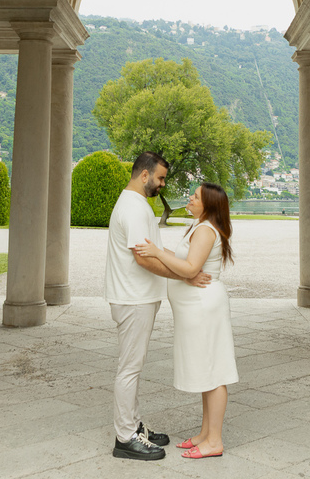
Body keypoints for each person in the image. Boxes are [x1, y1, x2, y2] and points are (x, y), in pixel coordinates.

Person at [105, 151, 211, 461]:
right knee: (129, 369)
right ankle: (125, 438)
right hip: (133, 298)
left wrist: (183, 269)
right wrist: (186, 275)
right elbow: (144, 257)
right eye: (160, 178)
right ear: (144, 175)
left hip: (136, 297)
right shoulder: (135, 208)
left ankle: (134, 426)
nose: (162, 184)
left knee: (133, 368)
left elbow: (156, 248)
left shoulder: (136, 204)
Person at [132, 182, 238, 459]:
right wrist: (158, 249)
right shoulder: (198, 226)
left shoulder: (204, 229)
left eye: (195, 196)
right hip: (194, 308)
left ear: (209, 205)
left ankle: (214, 440)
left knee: (214, 373)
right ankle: (206, 433)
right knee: (206, 370)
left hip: (204, 307)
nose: (189, 198)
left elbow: (191, 268)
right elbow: (183, 261)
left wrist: (156, 253)